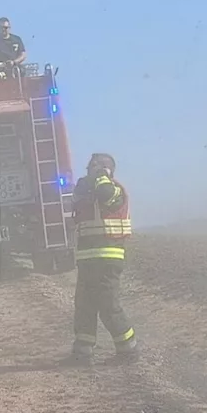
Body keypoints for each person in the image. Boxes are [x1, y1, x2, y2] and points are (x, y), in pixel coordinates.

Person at [70, 152, 138, 363]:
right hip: (87, 259)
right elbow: (77, 199)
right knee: (84, 305)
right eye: (90, 166)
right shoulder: (87, 191)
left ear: (108, 170)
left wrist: (102, 177)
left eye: (97, 166)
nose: (91, 169)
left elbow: (107, 196)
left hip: (109, 257)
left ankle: (129, 349)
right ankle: (83, 352)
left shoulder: (114, 189)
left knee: (108, 305)